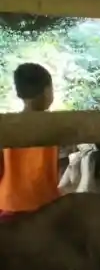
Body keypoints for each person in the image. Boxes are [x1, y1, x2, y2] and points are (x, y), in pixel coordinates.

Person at [0, 63, 61, 218]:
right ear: (48, 91)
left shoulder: (7, 125)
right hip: (43, 207)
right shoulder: (57, 124)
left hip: (8, 204)